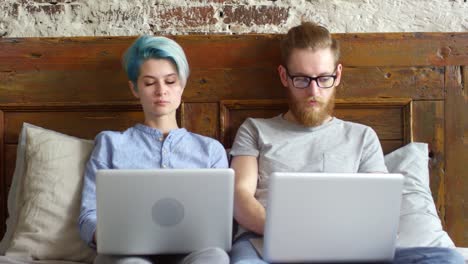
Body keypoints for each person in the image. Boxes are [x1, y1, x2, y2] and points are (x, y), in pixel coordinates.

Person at [229, 22, 464, 264]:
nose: (313, 90)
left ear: (338, 75)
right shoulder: (255, 129)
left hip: (345, 248)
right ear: (284, 76)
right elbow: (239, 196)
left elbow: (377, 209)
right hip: (266, 243)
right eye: (301, 79)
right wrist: (287, 233)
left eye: (323, 78)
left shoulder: (362, 137)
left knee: (446, 258)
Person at [78, 35, 230, 264]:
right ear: (135, 89)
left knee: (216, 257)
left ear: (182, 85)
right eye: (149, 83)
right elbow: (88, 215)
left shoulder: (210, 150)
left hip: (192, 253)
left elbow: (221, 221)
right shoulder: (110, 144)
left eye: (170, 81)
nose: (161, 91)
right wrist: (110, 237)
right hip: (128, 255)